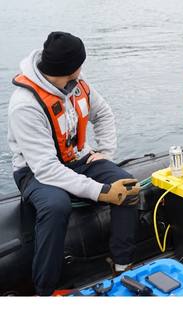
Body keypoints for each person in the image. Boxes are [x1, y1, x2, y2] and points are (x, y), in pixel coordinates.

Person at [7, 31, 141, 296]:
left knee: (128, 188)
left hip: (78, 158)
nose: (82, 69)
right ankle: (45, 289)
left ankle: (122, 265)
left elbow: (103, 114)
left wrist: (104, 150)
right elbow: (45, 168)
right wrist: (101, 191)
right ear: (70, 68)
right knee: (56, 207)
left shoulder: (77, 86)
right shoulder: (25, 105)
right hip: (34, 171)